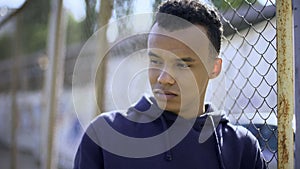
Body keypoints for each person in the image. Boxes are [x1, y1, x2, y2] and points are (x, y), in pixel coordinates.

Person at [74, 0, 267, 169]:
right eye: (156, 61)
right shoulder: (105, 136)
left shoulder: (242, 148)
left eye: (182, 64)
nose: (164, 79)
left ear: (214, 68)